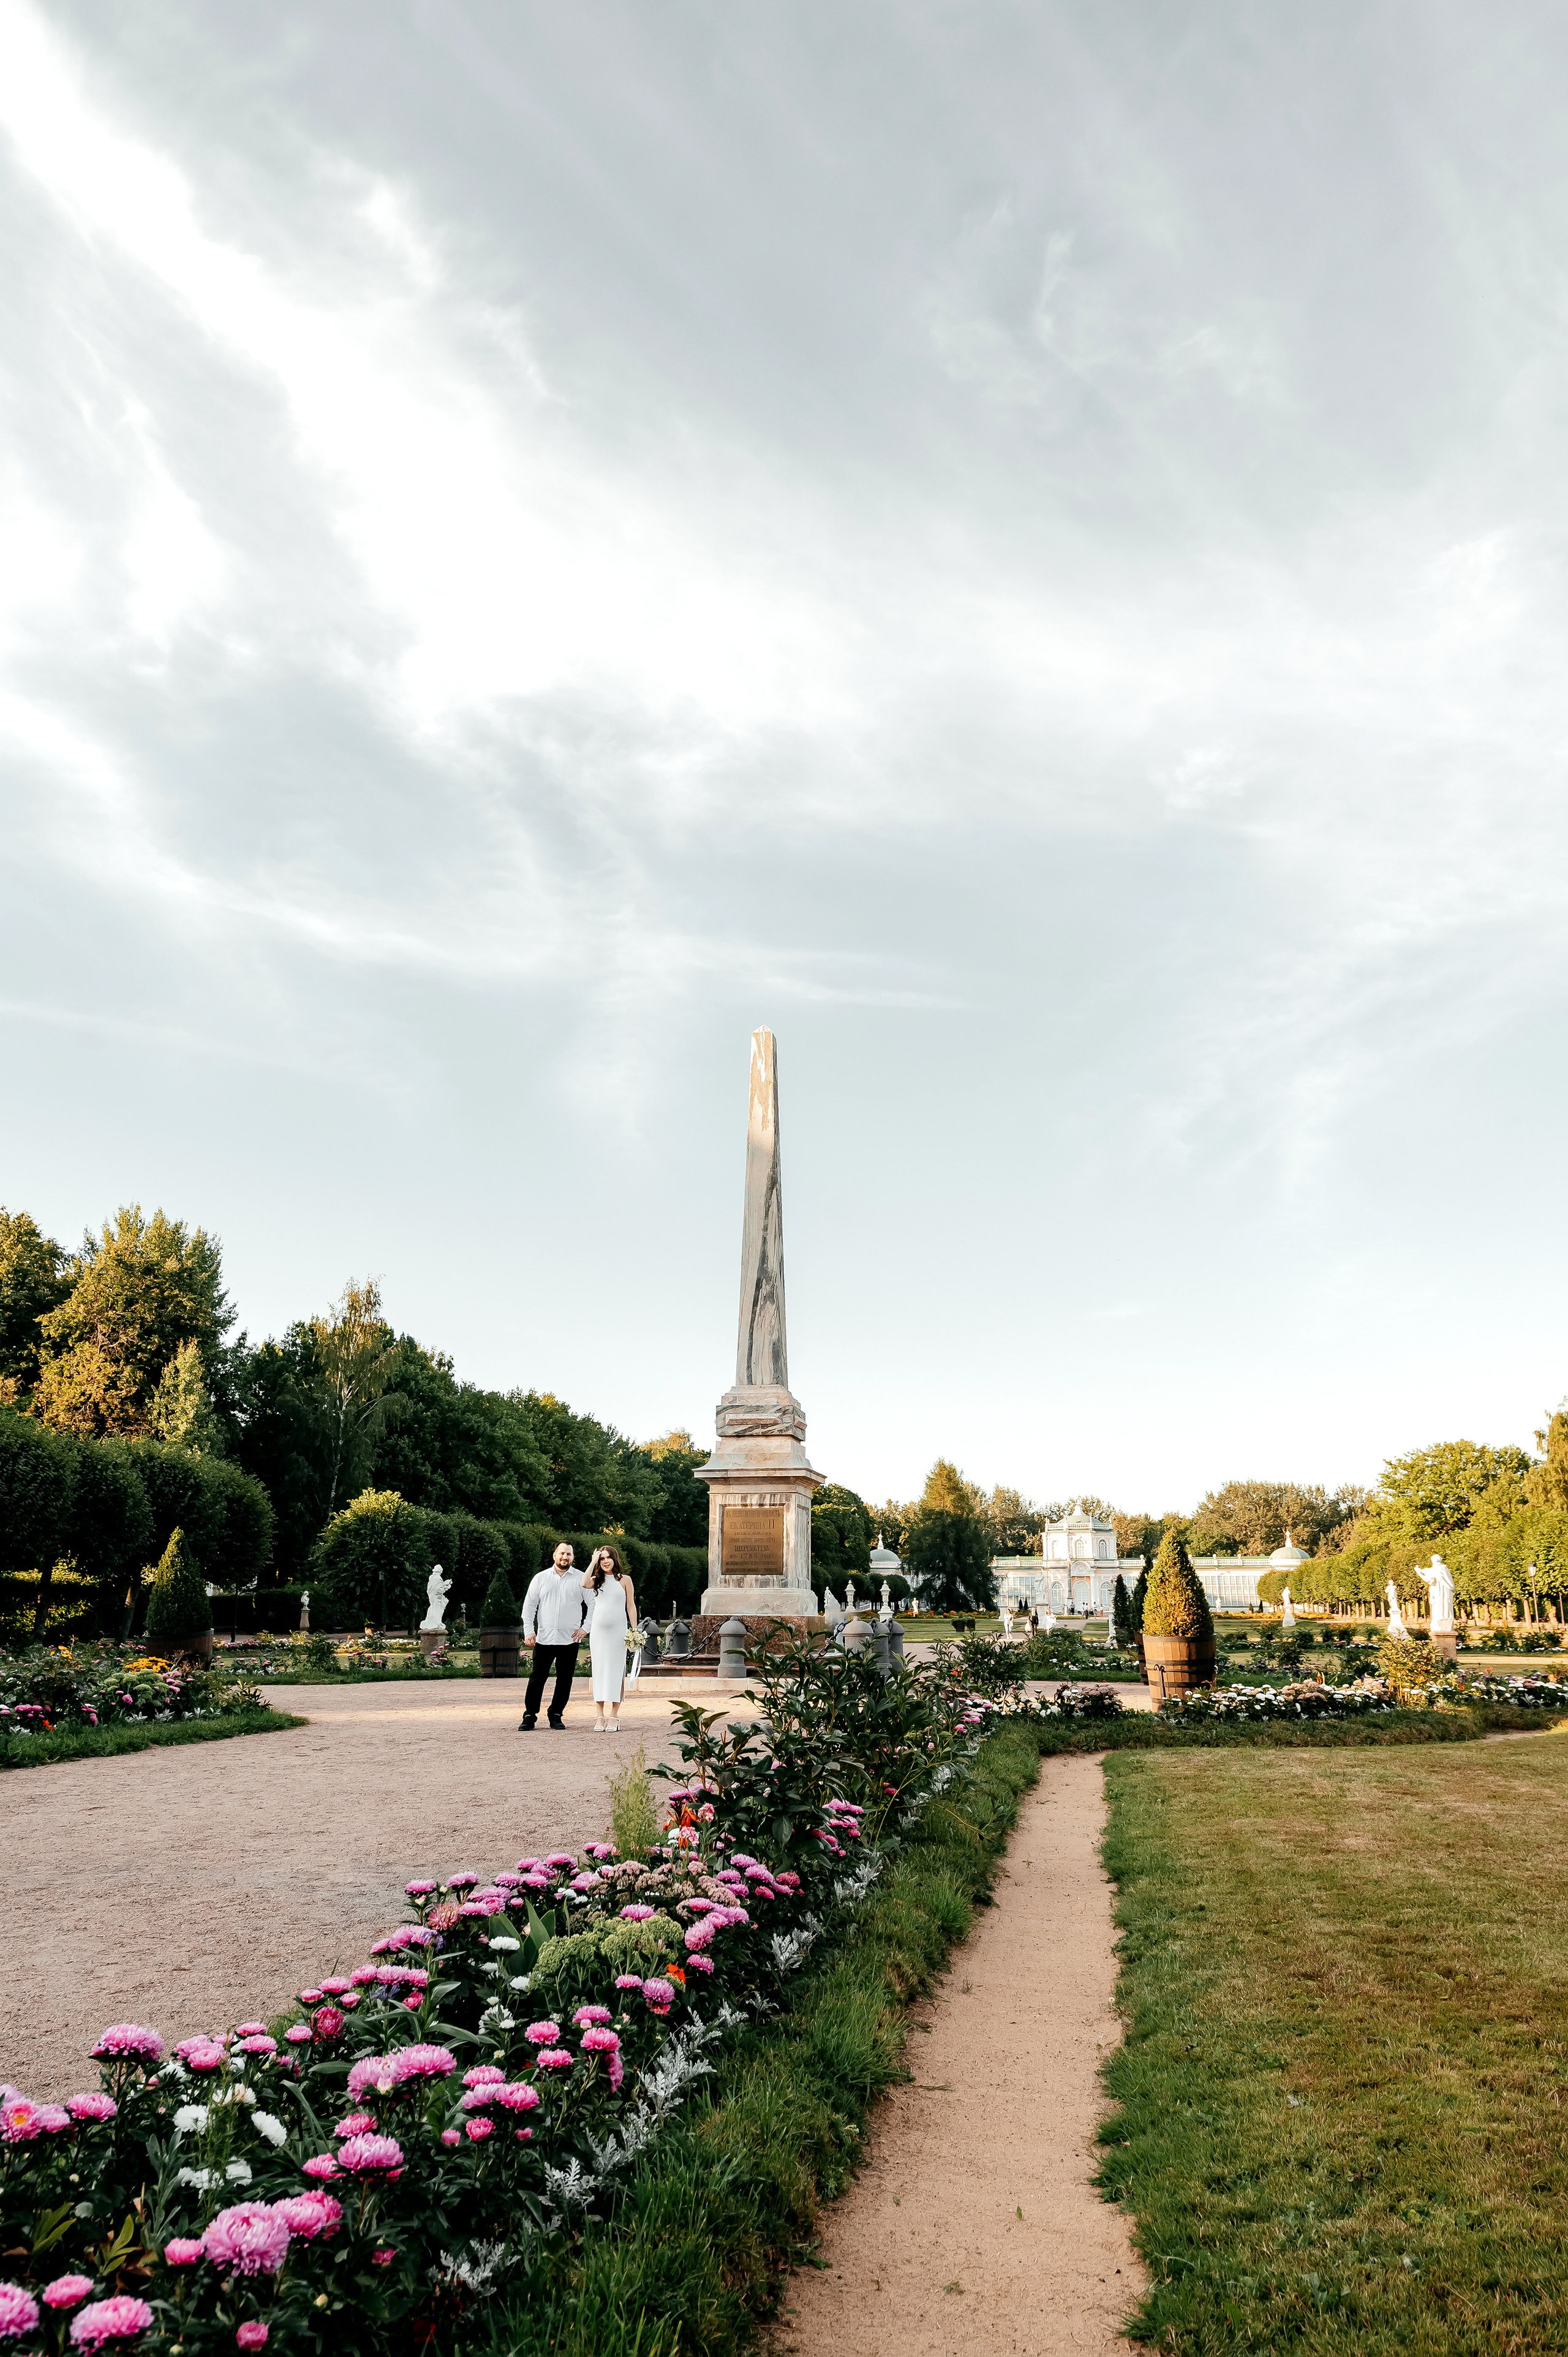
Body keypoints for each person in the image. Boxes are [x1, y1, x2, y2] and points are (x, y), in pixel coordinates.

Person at [518, 1543, 586, 1731]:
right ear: (555, 1555)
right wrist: (529, 1630)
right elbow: (530, 1605)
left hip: (570, 1639)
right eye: (562, 1553)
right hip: (545, 1638)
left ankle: (556, 1714)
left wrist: (585, 1628)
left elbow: (594, 1604)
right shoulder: (541, 1578)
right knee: (537, 1678)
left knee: (565, 1679)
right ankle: (530, 1715)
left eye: (569, 1554)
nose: (565, 1557)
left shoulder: (581, 1579)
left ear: (573, 1557)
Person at [583, 1546, 636, 1731]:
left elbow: (631, 1606)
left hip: (618, 1633)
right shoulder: (596, 1581)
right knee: (599, 1671)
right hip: (598, 1633)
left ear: (615, 1559)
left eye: (608, 1558)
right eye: (602, 1559)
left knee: (616, 1671)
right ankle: (600, 1715)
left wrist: (634, 1630)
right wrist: (592, 1560)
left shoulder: (625, 1580)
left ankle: (614, 1715)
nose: (606, 1561)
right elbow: (583, 1583)